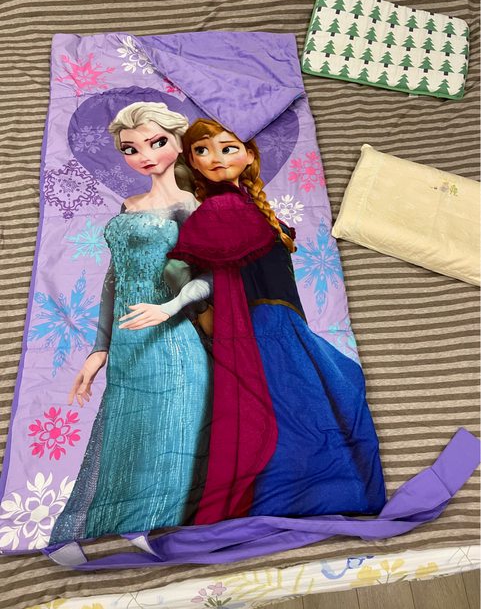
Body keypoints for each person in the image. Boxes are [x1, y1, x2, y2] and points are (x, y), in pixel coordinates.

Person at [168, 118, 386, 525]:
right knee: (294, 409)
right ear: (191, 163)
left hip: (284, 321)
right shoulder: (219, 208)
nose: (216, 157)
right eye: (202, 150)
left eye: (227, 148)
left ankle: (311, 495)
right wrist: (205, 316)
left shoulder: (244, 205)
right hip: (263, 324)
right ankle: (297, 498)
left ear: (249, 155)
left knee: (317, 400)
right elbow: (178, 270)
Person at [50, 103, 212, 544]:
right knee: (124, 438)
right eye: (131, 148)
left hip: (173, 342)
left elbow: (212, 277)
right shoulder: (130, 205)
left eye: (157, 142)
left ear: (178, 142)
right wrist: (99, 348)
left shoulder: (191, 207)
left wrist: (171, 306)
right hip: (127, 344)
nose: (146, 155)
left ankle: (153, 530)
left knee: (168, 439)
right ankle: (106, 532)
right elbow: (115, 278)